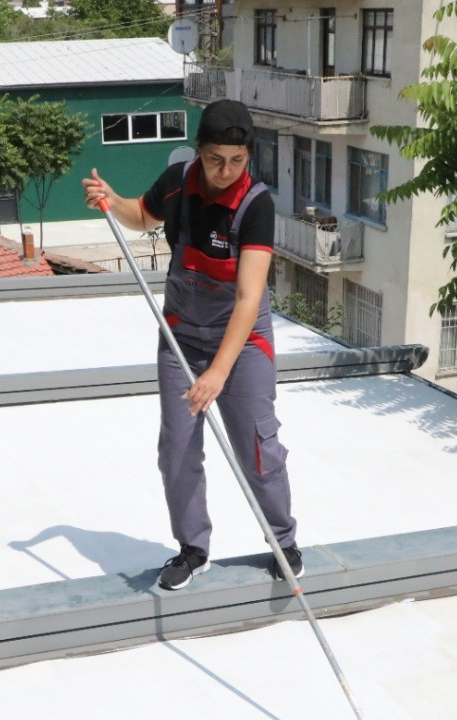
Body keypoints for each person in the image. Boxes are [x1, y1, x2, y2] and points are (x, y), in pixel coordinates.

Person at [82, 99, 300, 591]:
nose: (226, 171)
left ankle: (282, 540)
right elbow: (142, 215)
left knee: (256, 446)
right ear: (199, 152)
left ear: (249, 157)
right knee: (176, 449)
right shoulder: (179, 179)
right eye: (216, 159)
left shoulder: (255, 204)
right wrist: (111, 200)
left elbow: (249, 298)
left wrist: (218, 374)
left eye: (237, 161)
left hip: (241, 344)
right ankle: (192, 548)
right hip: (182, 334)